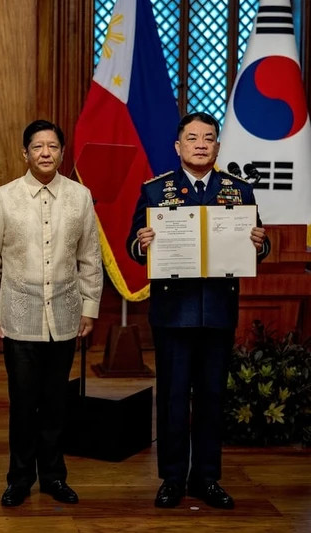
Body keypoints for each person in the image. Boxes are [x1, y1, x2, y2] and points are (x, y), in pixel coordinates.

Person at [127, 112, 270, 510]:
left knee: (211, 397)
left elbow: (259, 239)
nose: (201, 144)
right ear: (179, 146)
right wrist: (143, 242)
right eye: (192, 138)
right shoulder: (158, 190)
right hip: (173, 314)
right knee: (173, 398)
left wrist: (261, 242)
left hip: (218, 312)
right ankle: (172, 479)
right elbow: (132, 247)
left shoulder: (238, 190)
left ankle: (206, 478)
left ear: (217, 147)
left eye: (208, 138)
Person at [0, 119, 103, 507]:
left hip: (65, 315)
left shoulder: (80, 197)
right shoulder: (4, 197)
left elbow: (90, 257)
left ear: (62, 152)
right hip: (17, 316)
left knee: (56, 404)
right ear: (25, 153)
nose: (45, 153)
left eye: (52, 146)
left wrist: (91, 306)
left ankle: (53, 477)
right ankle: (18, 479)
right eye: (37, 147)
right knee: (23, 403)